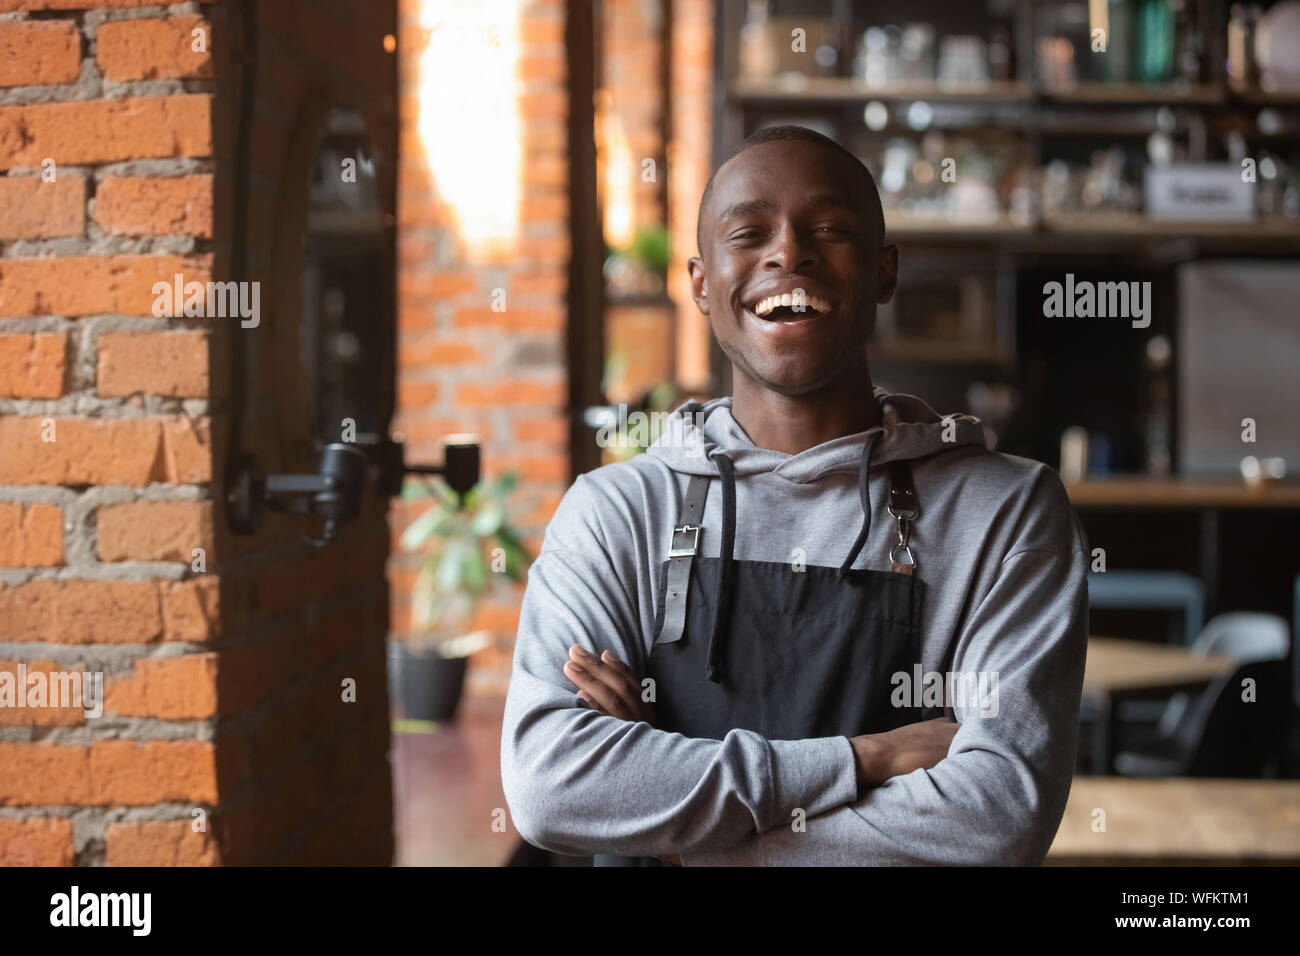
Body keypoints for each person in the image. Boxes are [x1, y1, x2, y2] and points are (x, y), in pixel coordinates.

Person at [500, 125, 1089, 866]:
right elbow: (552, 788)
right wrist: (867, 758)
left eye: (831, 230)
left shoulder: (1007, 513)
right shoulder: (616, 513)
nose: (790, 253)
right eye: (749, 232)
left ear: (883, 272)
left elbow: (997, 815)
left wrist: (675, 817)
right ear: (700, 282)